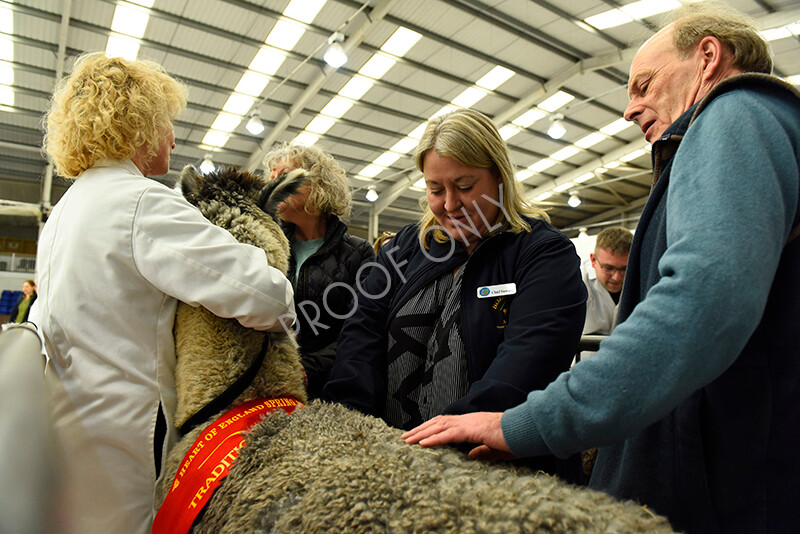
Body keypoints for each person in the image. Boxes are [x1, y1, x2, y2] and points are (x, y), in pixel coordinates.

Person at [403, 3, 800, 532]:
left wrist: (526, 424)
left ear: (708, 57)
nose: (630, 109)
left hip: (723, 492)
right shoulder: (743, 136)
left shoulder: (736, 114)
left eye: (644, 84)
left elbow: (702, 302)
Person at [32, 52, 295, 534]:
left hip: (67, 427)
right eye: (167, 122)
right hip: (127, 438)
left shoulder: (68, 207)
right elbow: (267, 297)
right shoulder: (140, 203)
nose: (174, 137)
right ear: (138, 126)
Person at [323, 108, 587, 478]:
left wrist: (455, 437)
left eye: (465, 187)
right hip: (391, 461)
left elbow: (532, 353)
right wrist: (349, 422)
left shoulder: (541, 253)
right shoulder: (403, 250)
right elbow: (361, 330)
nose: (449, 204)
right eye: (435, 189)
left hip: (498, 468)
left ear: (499, 178)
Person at [263, 143, 375, 399]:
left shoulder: (358, 254)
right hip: (272, 385)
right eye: (271, 179)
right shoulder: (266, 248)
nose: (272, 188)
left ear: (317, 185)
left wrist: (309, 367)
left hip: (331, 389)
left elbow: (362, 328)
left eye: (284, 177)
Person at [582, 227, 632, 336]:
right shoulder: (578, 281)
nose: (616, 277)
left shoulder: (641, 277)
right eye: (608, 268)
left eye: (624, 269)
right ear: (593, 260)